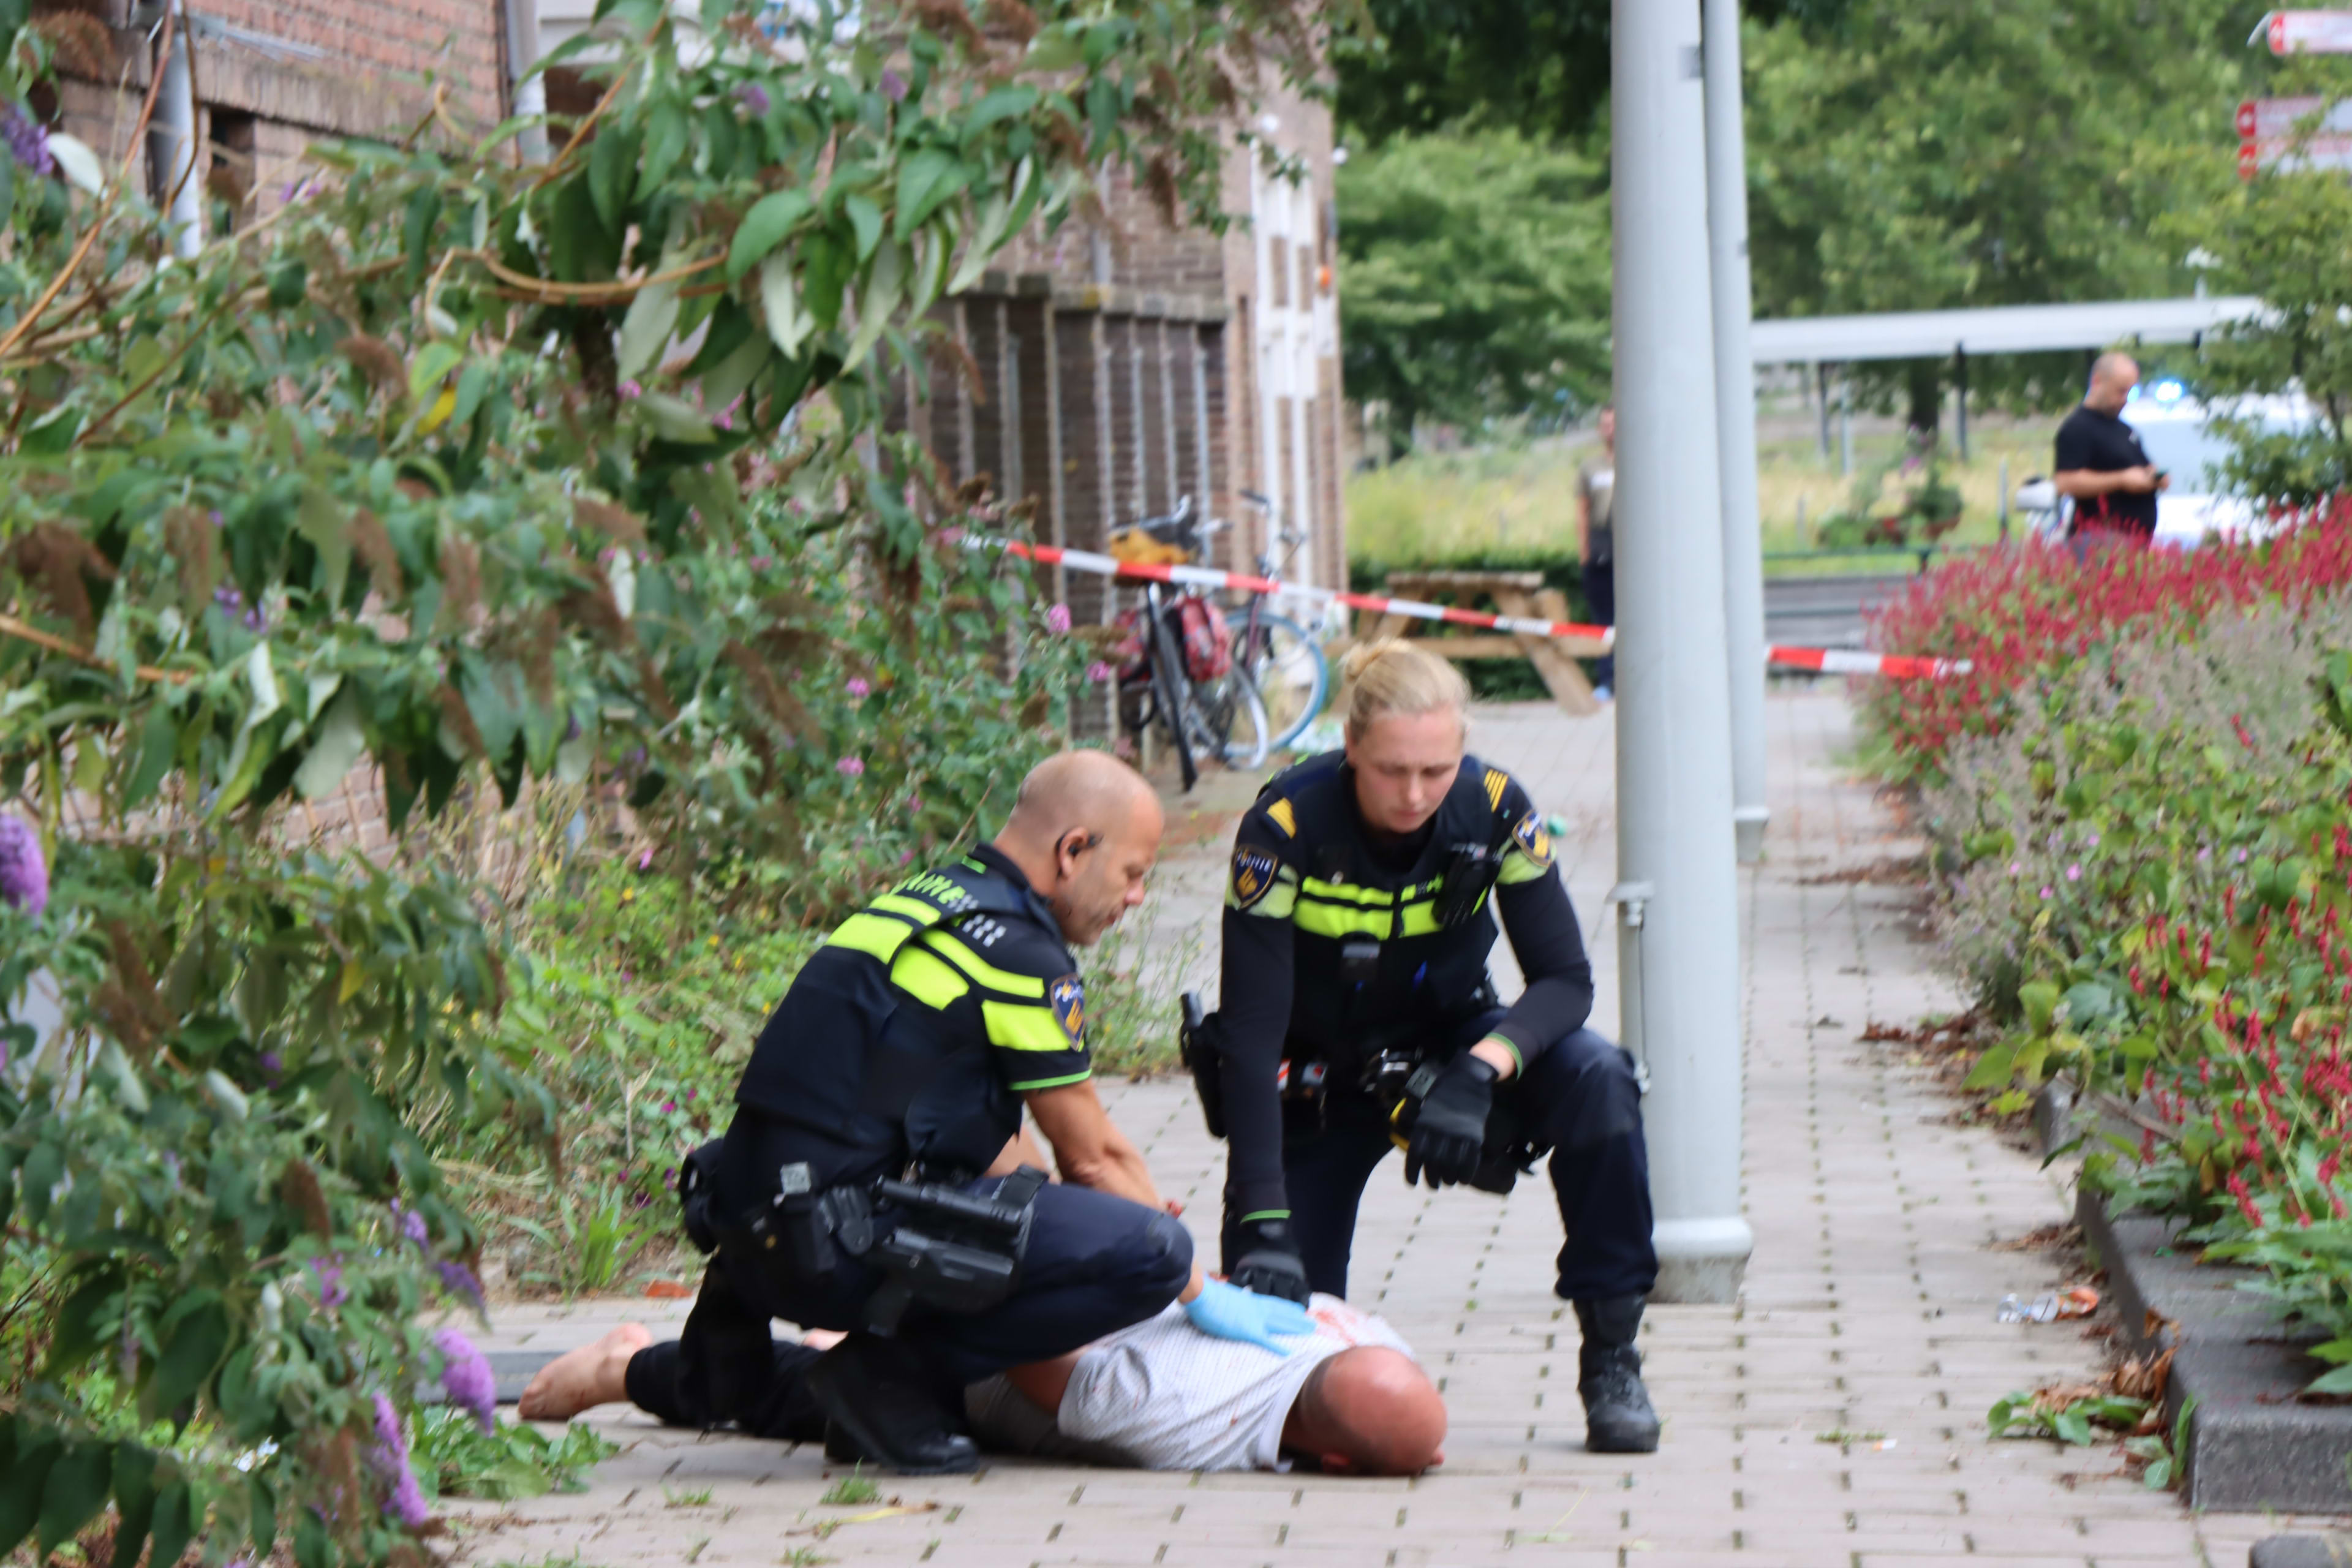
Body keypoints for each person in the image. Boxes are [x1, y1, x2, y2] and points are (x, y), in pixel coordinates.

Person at [641, 750, 1313, 1476]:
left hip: (758, 1236)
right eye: (1132, 873)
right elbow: (1093, 1156)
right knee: (1153, 1254)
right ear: (1073, 850)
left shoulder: (923, 903)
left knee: (1110, 1230)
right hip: (835, 1248)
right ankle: (887, 1375)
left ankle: (823, 1386)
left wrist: (1096, 1224)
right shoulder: (1022, 954)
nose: (1139, 897)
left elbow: (975, 1140)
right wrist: (1192, 1282)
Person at [1198, 639, 1661, 1453]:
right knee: (1280, 1361)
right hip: (1315, 1079)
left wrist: (1482, 1073)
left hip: (1453, 1050)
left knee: (1598, 1076)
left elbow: (1565, 981)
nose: (1415, 794)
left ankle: (1613, 1361)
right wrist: (1264, 1213)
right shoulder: (1286, 824)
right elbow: (1250, 1032)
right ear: (1351, 751)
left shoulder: (1491, 805)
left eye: (1435, 771)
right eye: (1391, 772)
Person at [519, 1291, 1446, 1476]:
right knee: (796, 1396)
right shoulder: (1181, 1416)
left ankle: (632, 1363)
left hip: (1053, 1330)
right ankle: (622, 1369)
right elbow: (1033, 1363)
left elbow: (1039, 1370)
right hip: (1019, 1342)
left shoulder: (1369, 1341)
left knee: (827, 1379)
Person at [2052, 353, 2168, 548]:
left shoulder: (2125, 429)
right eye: (2120, 391)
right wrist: (2121, 480)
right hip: (2098, 539)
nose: (2125, 400)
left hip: (2136, 540)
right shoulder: (2077, 427)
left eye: (2130, 392)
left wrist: (2155, 477)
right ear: (2097, 382)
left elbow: (2140, 468)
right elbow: (2065, 482)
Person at [1575, 406, 1617, 702]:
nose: (1609, 429)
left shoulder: (1639, 461)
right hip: (1602, 543)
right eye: (1604, 424)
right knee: (1602, 618)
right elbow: (1582, 512)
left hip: (1634, 544)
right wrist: (1584, 552)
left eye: (1614, 424)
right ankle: (1606, 679)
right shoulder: (1591, 467)